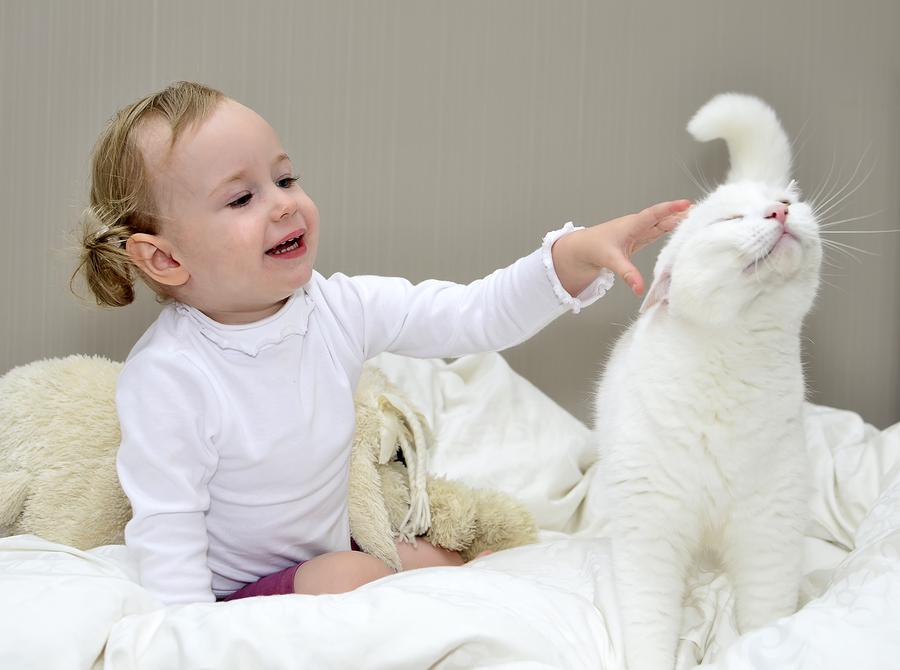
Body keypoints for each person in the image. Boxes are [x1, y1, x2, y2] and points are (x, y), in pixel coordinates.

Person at [73, 81, 689, 605]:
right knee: (350, 574)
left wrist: (570, 258)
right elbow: (168, 532)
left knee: (436, 555)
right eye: (242, 197)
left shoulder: (338, 307)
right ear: (164, 256)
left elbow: (473, 315)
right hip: (238, 591)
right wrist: (187, 636)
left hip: (331, 544)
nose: (285, 204)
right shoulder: (170, 375)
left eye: (285, 177)